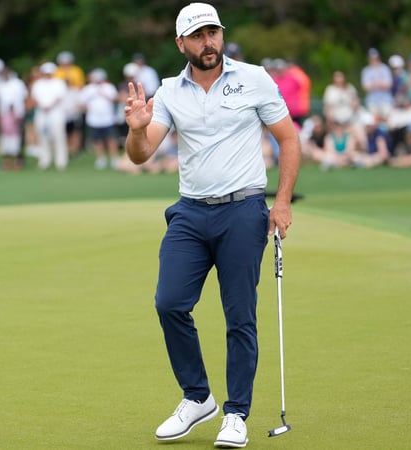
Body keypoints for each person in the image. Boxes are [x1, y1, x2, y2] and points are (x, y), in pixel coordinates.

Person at [123, 3, 301, 447]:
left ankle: (236, 413)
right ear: (181, 43)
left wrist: (280, 202)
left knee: (240, 316)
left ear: (222, 35)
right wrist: (136, 129)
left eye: (213, 33)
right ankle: (198, 398)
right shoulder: (169, 91)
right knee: (169, 303)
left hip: (243, 211)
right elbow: (141, 154)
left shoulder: (253, 78)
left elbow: (288, 139)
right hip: (190, 212)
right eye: (198, 36)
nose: (209, 43)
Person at [30, 62, 69, 171]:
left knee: (59, 137)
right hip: (42, 114)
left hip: (56, 114)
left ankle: (61, 161)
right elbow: (34, 98)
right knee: (42, 137)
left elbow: (60, 97)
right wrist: (42, 106)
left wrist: (50, 106)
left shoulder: (59, 83)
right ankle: (45, 160)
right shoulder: (38, 84)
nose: (48, 74)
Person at [80, 68, 120, 170]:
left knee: (111, 139)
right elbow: (82, 103)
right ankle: (101, 159)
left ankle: (114, 158)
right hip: (93, 119)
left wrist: (103, 92)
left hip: (108, 119)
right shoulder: (88, 89)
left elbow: (115, 99)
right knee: (97, 140)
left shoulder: (109, 87)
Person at [0, 61, 29, 171]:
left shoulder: (18, 83)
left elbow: (24, 97)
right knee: (5, 139)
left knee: (18, 138)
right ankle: (6, 161)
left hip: (17, 114)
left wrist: (17, 109)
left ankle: (19, 160)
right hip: (4, 115)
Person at [361, 48, 394, 119]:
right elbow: (366, 87)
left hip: (386, 100)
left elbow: (389, 85)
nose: (373, 60)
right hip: (372, 101)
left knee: (388, 119)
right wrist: (380, 84)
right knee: (374, 120)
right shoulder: (366, 71)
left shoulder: (385, 69)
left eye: (375, 58)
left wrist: (374, 84)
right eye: (371, 58)